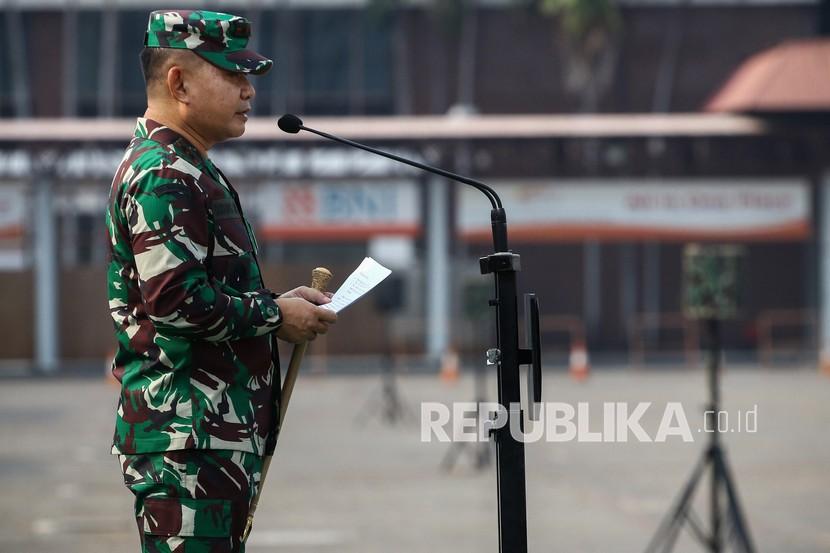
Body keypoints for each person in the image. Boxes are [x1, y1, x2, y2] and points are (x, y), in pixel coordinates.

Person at [105, 10, 337, 552]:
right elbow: (176, 301)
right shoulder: (164, 172)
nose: (248, 91)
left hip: (209, 434)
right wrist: (277, 316)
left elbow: (199, 286)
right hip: (188, 438)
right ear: (178, 82)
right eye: (231, 76)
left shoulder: (189, 165)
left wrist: (276, 301)